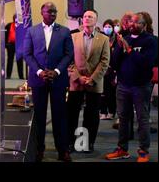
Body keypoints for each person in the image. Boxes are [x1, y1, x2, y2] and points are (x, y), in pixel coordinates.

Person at [23, 2, 74, 162]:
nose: (53, 14)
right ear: (42, 12)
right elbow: (27, 53)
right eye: (49, 11)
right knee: (39, 116)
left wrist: (57, 71)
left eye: (55, 11)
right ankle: (39, 149)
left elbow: (69, 54)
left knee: (60, 115)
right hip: (38, 80)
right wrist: (39, 72)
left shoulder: (65, 31)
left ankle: (63, 150)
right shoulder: (32, 31)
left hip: (58, 79)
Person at [105, 13, 157, 162]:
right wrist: (118, 50)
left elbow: (147, 63)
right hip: (123, 85)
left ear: (144, 25)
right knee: (122, 119)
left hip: (141, 86)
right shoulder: (125, 39)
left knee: (142, 119)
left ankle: (143, 151)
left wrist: (129, 50)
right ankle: (122, 149)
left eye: (137, 22)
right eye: (131, 22)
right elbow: (115, 63)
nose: (133, 25)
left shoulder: (150, 41)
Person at [67, 10, 110, 153]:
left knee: (91, 116)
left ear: (95, 20)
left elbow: (105, 62)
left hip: (94, 83)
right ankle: (70, 143)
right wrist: (78, 77)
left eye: (90, 17)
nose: (86, 18)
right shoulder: (73, 37)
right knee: (72, 114)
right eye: (85, 16)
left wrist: (92, 79)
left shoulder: (103, 39)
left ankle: (87, 143)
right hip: (76, 82)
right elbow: (69, 60)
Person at [100, 19, 118, 120]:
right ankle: (103, 112)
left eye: (109, 27)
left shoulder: (116, 40)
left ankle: (111, 111)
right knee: (102, 93)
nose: (107, 29)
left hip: (112, 70)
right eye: (105, 27)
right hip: (102, 69)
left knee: (111, 92)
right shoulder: (101, 38)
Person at [5, 14, 24, 79]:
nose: (16, 20)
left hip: (19, 45)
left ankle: (21, 76)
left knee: (20, 60)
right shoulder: (8, 25)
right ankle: (8, 75)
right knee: (10, 60)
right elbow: (4, 35)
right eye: (15, 18)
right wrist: (6, 45)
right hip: (10, 45)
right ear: (13, 19)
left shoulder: (22, 26)